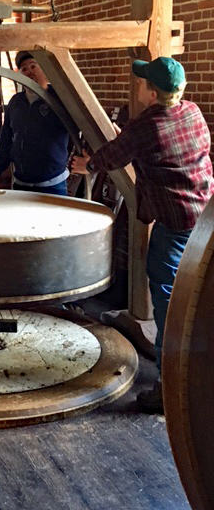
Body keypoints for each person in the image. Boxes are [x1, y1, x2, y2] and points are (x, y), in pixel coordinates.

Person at [72, 56, 214, 413]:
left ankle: (169, 388)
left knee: (169, 301)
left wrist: (85, 164)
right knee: (201, 294)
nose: (136, 86)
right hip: (206, 218)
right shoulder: (193, 112)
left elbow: (111, 156)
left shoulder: (147, 126)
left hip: (174, 223)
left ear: (152, 91)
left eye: (141, 82)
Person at [0, 51, 70, 196]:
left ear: (44, 71)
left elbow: (81, 129)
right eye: (24, 69)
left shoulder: (60, 100)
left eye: (33, 66)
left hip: (52, 185)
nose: (29, 72)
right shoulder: (15, 103)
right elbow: (6, 138)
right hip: (21, 185)